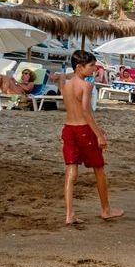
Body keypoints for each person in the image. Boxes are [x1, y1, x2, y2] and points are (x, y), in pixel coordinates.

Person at [51, 50, 124, 225]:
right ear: (79, 67)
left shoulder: (65, 82)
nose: (94, 69)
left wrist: (98, 128)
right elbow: (85, 111)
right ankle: (106, 210)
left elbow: (59, 76)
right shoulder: (86, 85)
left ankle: (70, 214)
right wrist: (99, 135)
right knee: (99, 169)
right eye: (91, 66)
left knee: (71, 171)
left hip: (69, 129)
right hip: (83, 130)